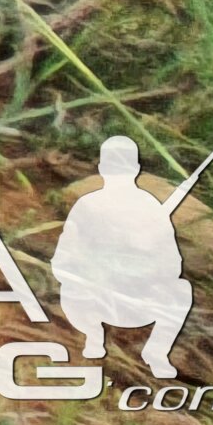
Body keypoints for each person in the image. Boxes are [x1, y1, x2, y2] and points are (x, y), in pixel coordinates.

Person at [54, 134, 195, 381]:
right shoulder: (88, 205)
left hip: (136, 301)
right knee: (72, 290)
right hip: (93, 299)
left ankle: (156, 352)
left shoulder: (151, 208)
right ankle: (93, 337)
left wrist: (145, 254)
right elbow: (63, 260)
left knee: (181, 291)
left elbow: (173, 265)